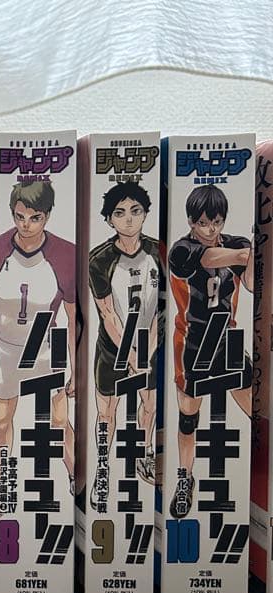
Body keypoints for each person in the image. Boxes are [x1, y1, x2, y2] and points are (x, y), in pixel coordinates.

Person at [0, 180, 77, 515]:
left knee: (59, 421)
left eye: (35, 217)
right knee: (1, 422)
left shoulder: (65, 254)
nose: (26, 225)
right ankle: (3, 483)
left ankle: (76, 475)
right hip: (7, 347)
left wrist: (76, 369)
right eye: (19, 216)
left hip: (47, 345)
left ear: (48, 215)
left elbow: (74, 317)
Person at [167, 184, 252, 519]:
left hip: (227, 341)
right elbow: (211, 259)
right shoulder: (181, 250)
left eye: (216, 222)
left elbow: (251, 284)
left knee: (256, 409)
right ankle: (184, 478)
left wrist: (256, 252)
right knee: (188, 419)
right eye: (203, 223)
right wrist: (247, 254)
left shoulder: (237, 244)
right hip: (192, 344)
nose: (210, 229)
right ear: (191, 221)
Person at [87, 182, 160, 493]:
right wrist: (130, 358)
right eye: (119, 213)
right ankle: (102, 468)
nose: (128, 219)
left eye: (135, 211)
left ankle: (145, 453)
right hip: (112, 346)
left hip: (149, 340)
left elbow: (161, 310)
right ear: (109, 219)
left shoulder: (159, 251)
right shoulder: (99, 259)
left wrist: (147, 353)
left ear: (145, 214)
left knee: (150, 402)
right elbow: (108, 314)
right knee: (106, 411)